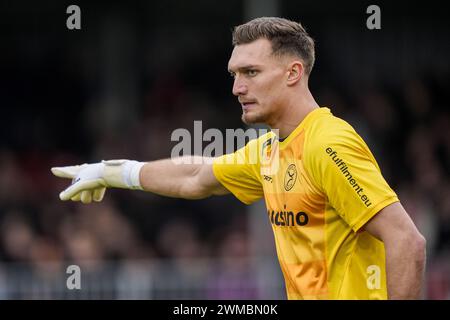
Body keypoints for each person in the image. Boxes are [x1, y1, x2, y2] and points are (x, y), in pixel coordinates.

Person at [51, 17, 426, 300]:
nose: (237, 88)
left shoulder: (328, 143)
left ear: (294, 73)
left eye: (251, 72)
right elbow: (194, 175)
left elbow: (407, 240)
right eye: (234, 74)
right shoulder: (270, 150)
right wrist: (111, 171)